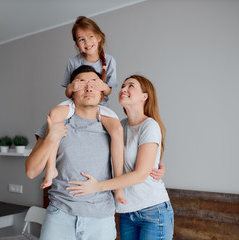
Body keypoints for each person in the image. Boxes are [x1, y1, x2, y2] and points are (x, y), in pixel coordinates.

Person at [67, 75, 174, 239]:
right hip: (126, 212)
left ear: (144, 97)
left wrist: (97, 186)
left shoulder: (149, 126)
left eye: (131, 86)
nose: (123, 89)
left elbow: (140, 175)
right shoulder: (118, 126)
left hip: (153, 211)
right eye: (123, 86)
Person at [25, 65, 117, 240]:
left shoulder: (113, 128)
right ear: (71, 92)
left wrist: (156, 169)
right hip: (60, 216)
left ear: (102, 93)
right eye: (81, 83)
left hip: (101, 221)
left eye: (94, 83)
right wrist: (52, 137)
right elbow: (31, 171)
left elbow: (132, 162)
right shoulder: (55, 122)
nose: (89, 87)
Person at [41, 16, 125, 205]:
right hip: (76, 104)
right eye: (81, 39)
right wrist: (75, 86)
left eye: (90, 36)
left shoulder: (109, 61)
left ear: (99, 37)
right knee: (54, 116)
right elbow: (67, 90)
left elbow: (109, 89)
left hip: (100, 105)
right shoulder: (73, 62)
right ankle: (51, 169)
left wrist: (99, 84)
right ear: (77, 44)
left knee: (118, 130)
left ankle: (118, 187)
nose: (87, 43)